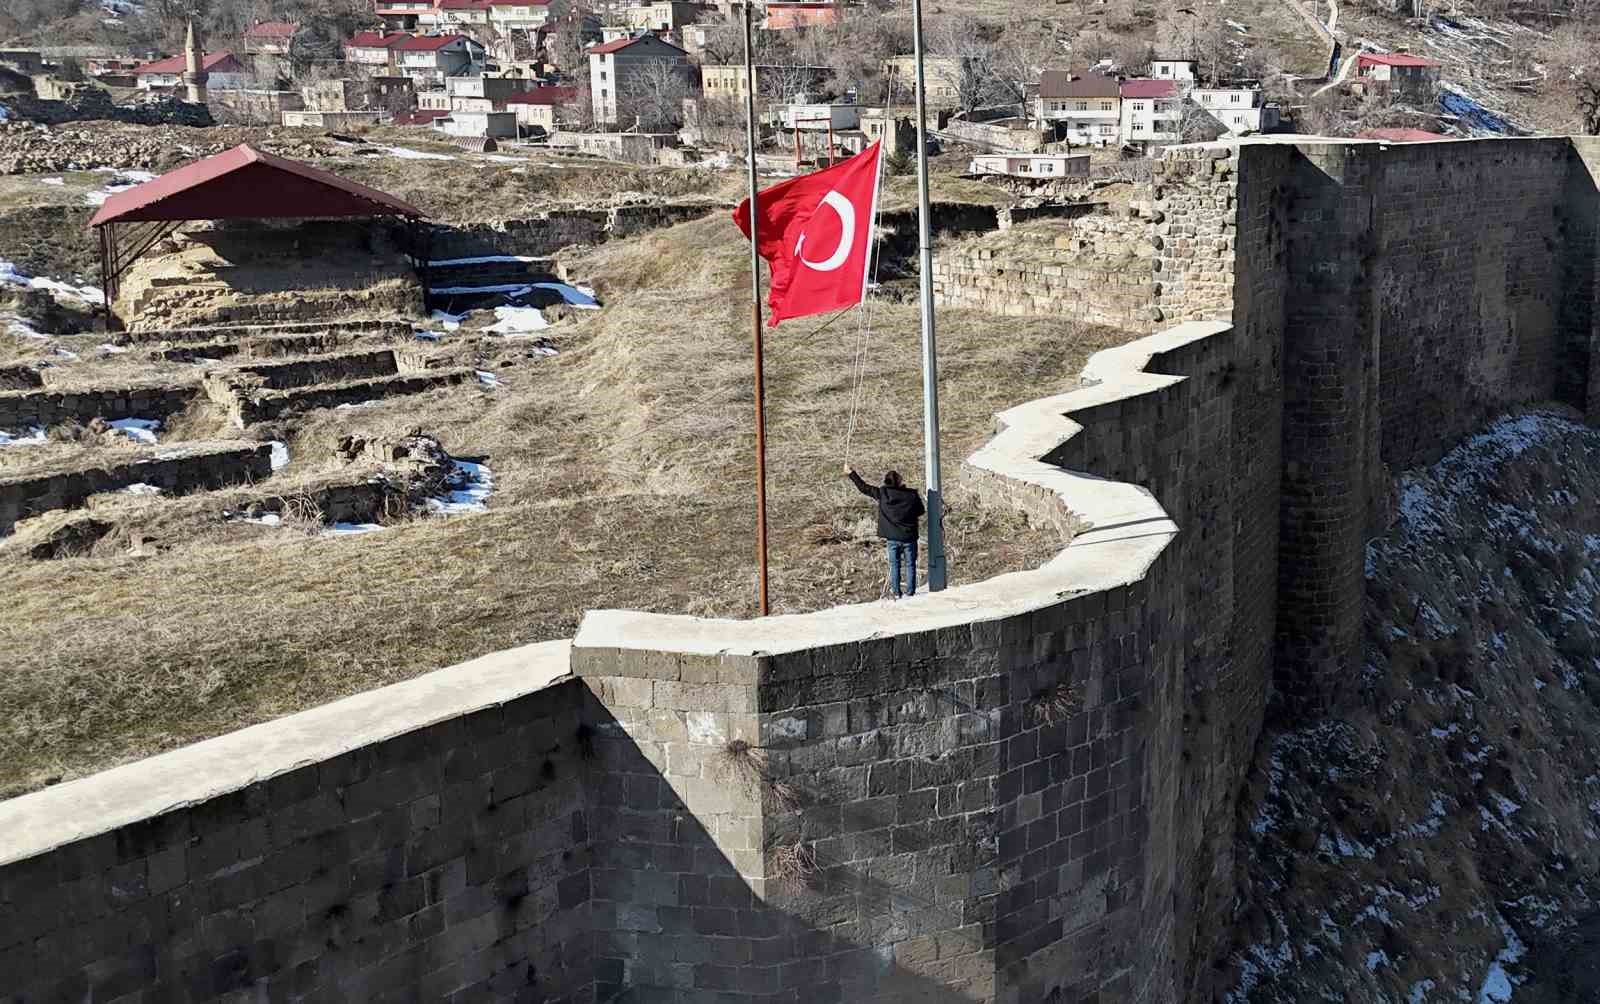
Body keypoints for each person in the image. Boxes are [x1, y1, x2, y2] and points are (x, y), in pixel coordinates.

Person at [845, 465, 925, 599]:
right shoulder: (911, 495)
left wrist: (851, 473)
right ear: (900, 481)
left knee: (895, 565)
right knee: (910, 564)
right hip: (909, 537)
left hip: (892, 538)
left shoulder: (882, 493)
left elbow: (863, 487)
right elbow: (921, 511)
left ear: (886, 482)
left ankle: (896, 593)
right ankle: (910, 593)